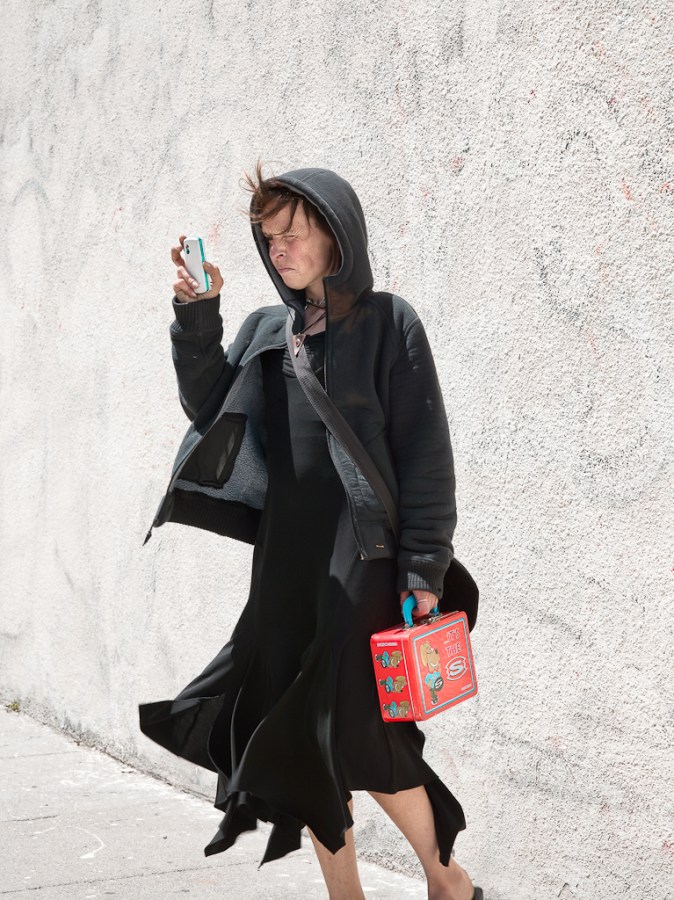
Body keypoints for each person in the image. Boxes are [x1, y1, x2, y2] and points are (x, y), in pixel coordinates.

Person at [139, 165, 482, 900]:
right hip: (286, 564)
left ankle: (444, 876)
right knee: (302, 746)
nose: (279, 250)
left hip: (364, 563)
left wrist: (423, 569)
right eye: (270, 239)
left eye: (293, 234)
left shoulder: (391, 323)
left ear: (336, 235)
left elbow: (427, 457)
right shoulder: (270, 330)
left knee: (360, 737)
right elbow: (207, 407)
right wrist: (199, 314)